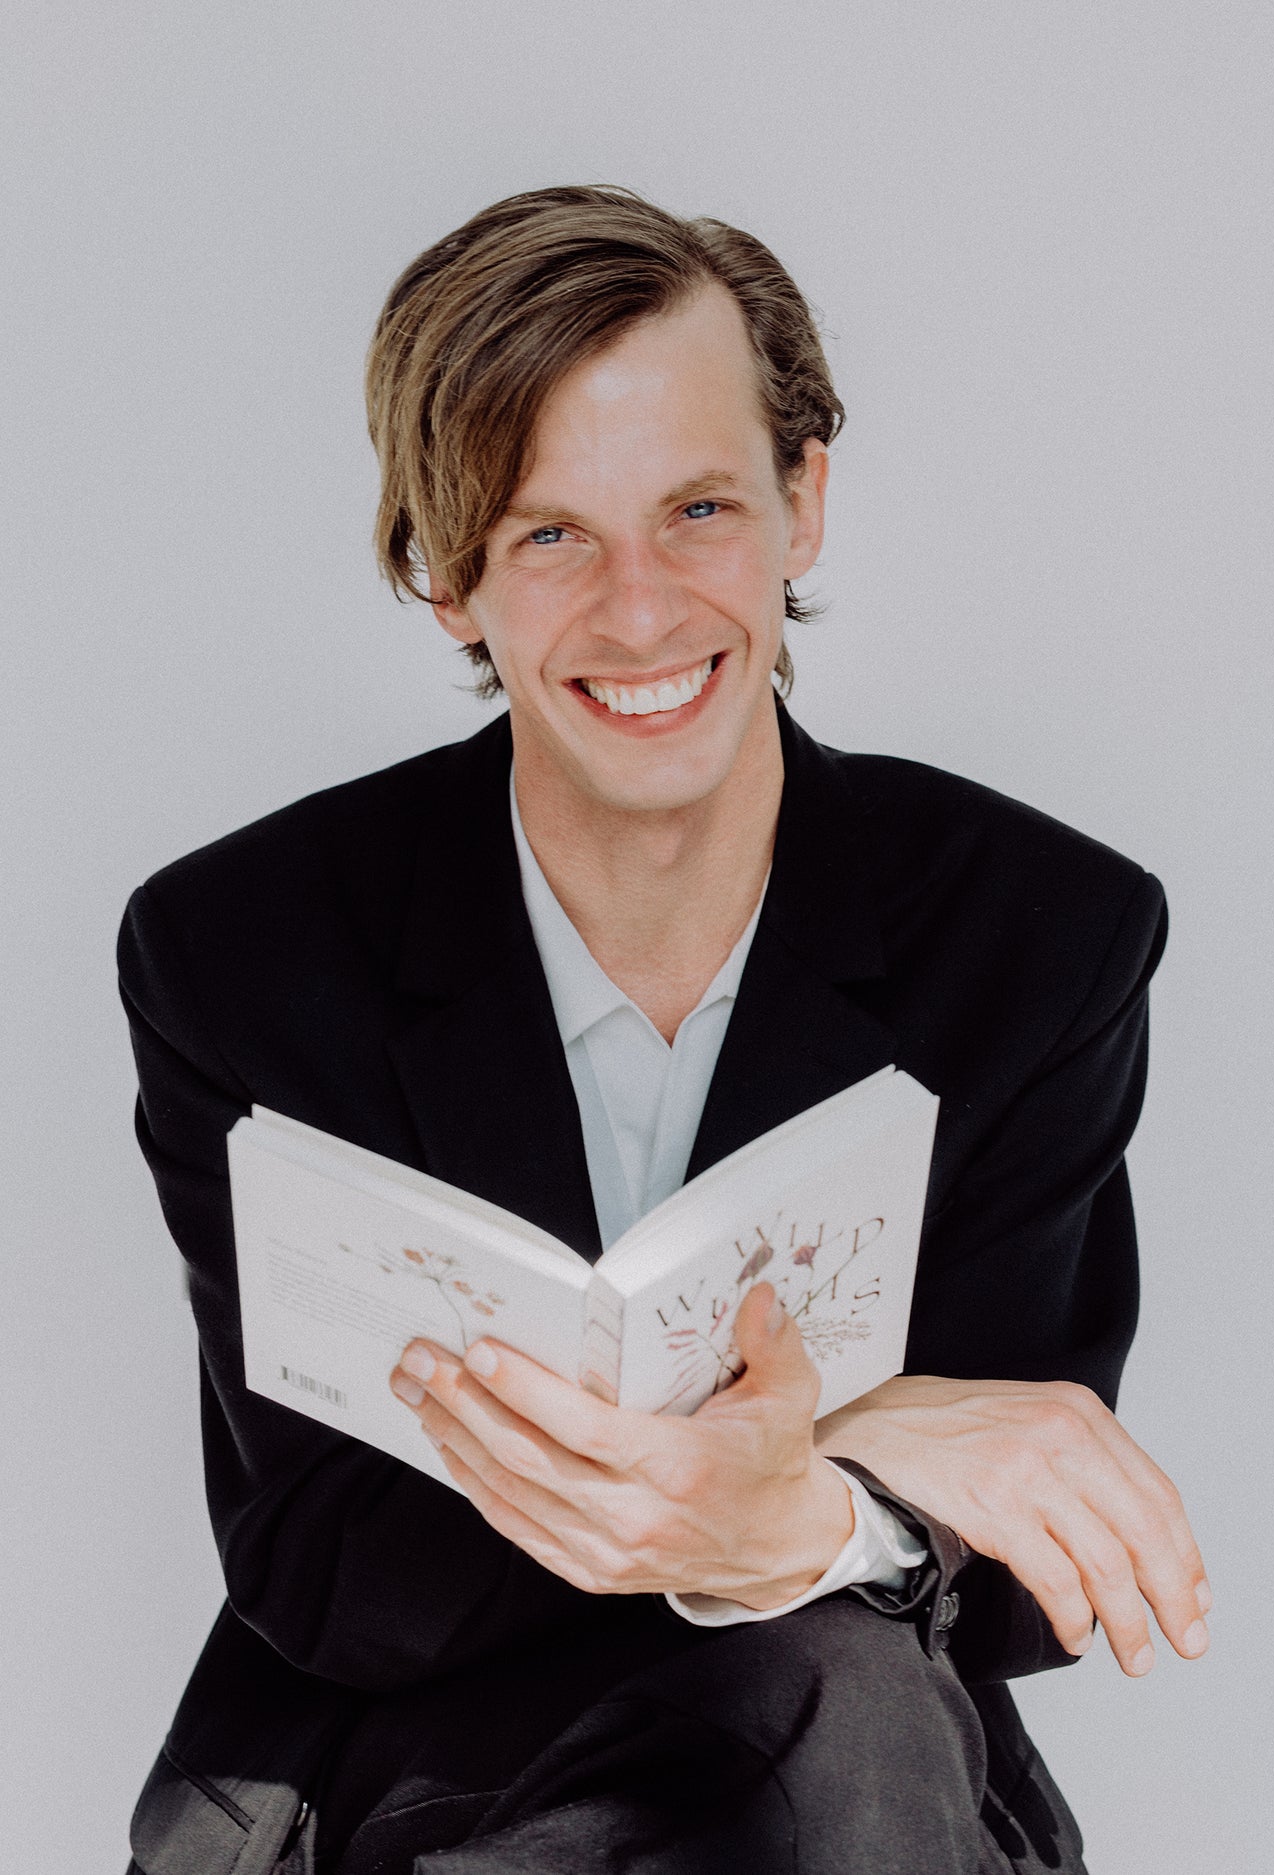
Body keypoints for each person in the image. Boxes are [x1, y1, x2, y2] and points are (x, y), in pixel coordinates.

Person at [119, 185, 1209, 1875]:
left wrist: (797, 1528)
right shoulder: (244, 954)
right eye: (552, 535)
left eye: (698, 509)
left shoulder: (1038, 936)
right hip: (411, 1769)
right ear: (444, 576)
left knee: (832, 1679)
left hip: (863, 1771)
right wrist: (848, 1440)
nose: (640, 614)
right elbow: (322, 1562)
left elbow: (1021, 1570)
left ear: (803, 503)